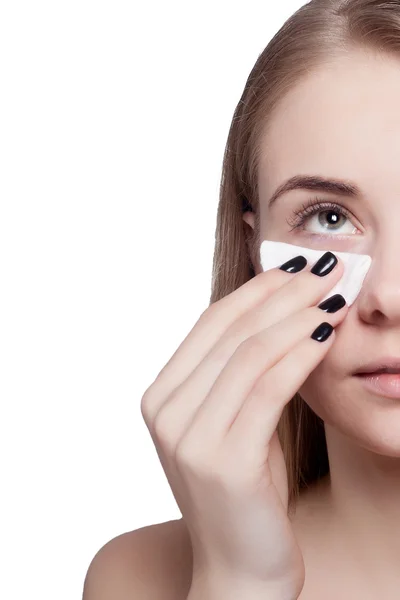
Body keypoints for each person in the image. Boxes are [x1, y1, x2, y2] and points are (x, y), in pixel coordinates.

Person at [82, 1, 400, 598]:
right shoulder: (139, 579)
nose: (390, 296)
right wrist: (242, 581)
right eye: (329, 217)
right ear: (255, 251)